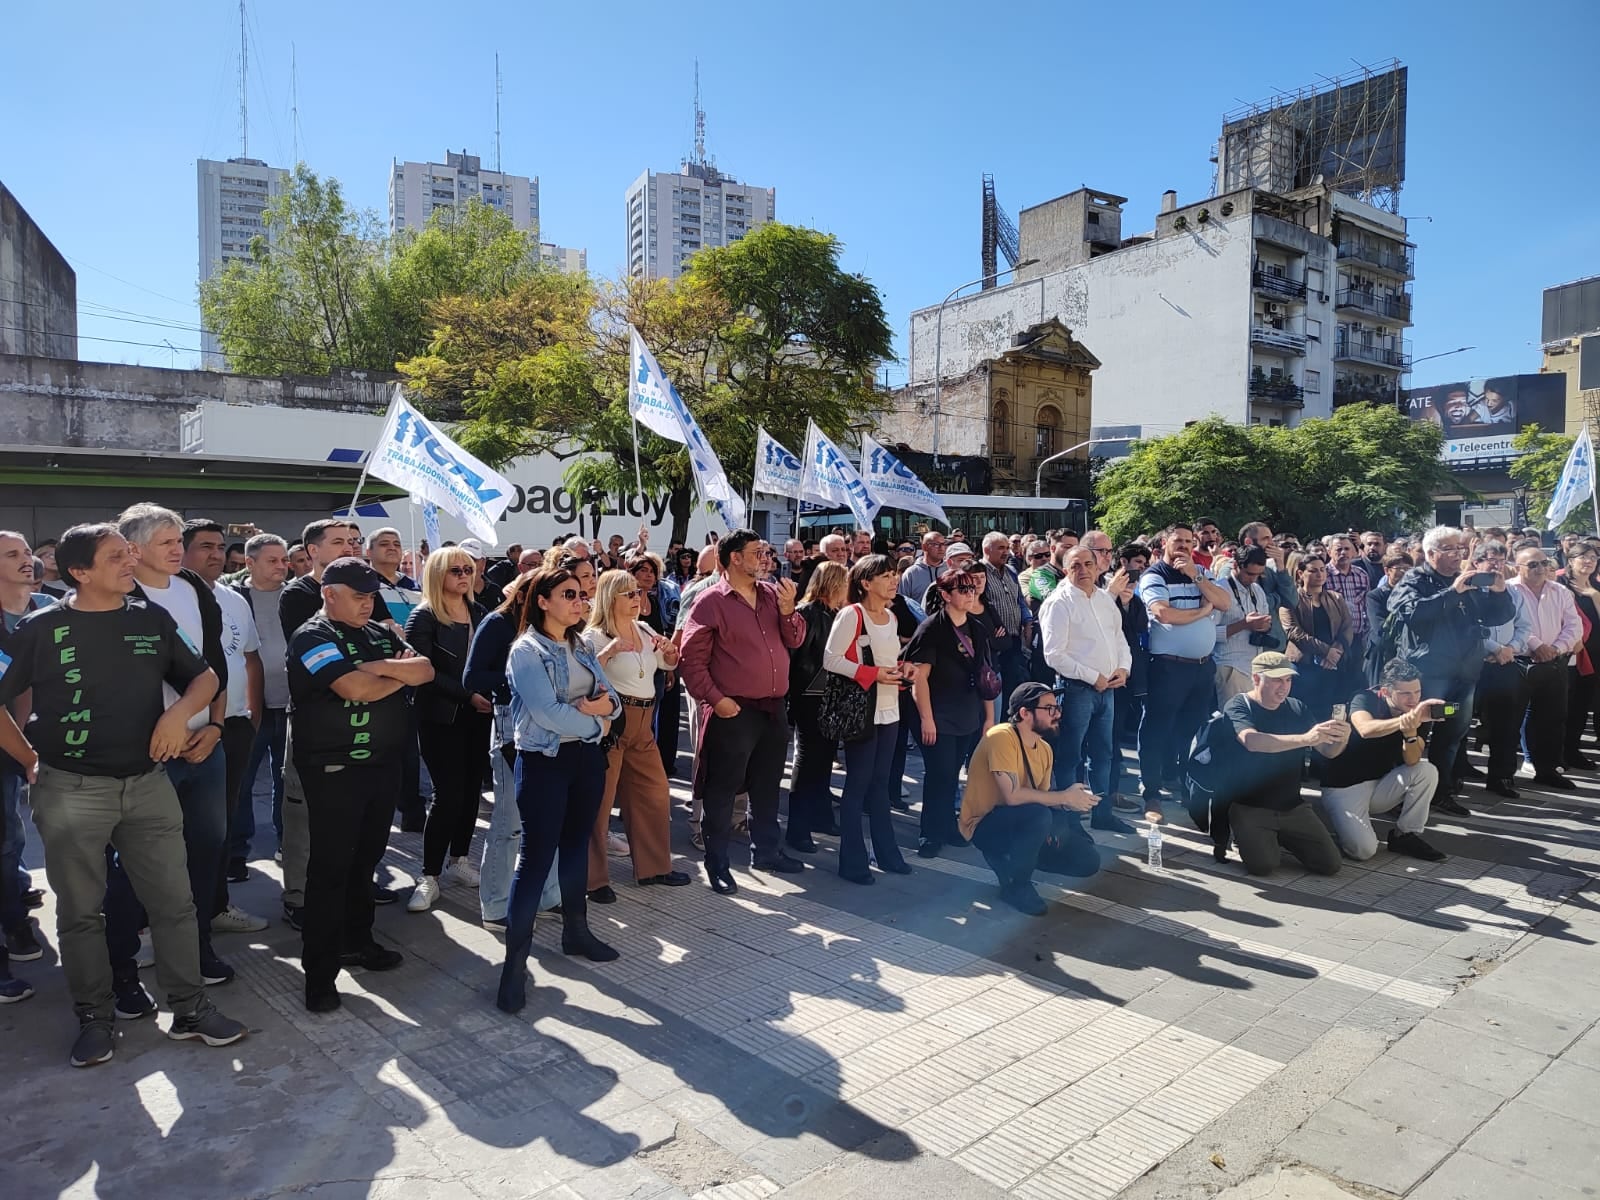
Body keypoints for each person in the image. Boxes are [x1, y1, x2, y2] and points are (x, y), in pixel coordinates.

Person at [0, 523, 247, 1064]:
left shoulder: (150, 619)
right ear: (80, 572)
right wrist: (28, 758)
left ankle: (190, 1009)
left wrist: (179, 715)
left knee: (174, 903)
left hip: (147, 784)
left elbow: (204, 678)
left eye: (128, 553)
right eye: (116, 557)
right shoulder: (39, 630)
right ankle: (95, 1016)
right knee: (82, 911)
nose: (128, 563)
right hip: (70, 790)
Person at [287, 557, 433, 1011]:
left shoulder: (379, 634)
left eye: (371, 596)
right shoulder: (312, 635)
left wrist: (377, 670)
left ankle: (358, 941)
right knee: (330, 869)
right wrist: (390, 673)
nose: (368, 604)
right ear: (329, 593)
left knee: (365, 863)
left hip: (382, 765)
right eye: (358, 596)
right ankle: (320, 973)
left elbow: (426, 670)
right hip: (334, 769)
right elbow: (354, 690)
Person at [119, 503, 237, 985]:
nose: (177, 549)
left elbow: (215, 667)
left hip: (204, 744)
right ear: (134, 548)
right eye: (167, 542)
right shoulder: (118, 596)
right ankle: (132, 947)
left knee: (207, 846)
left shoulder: (193, 589)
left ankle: (198, 943)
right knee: (140, 857)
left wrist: (215, 726)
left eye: (177, 540)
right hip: (146, 751)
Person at [498, 565, 622, 1014]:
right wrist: (598, 722)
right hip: (545, 763)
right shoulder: (526, 651)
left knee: (575, 849)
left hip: (585, 762)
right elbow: (546, 713)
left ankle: (577, 930)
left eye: (580, 594)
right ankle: (514, 963)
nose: (579, 600)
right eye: (568, 594)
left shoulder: (583, 645)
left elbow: (615, 697)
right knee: (534, 861)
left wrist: (602, 712)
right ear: (543, 601)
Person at [678, 530, 807, 893]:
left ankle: (766, 851)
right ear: (735, 558)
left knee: (767, 786)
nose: (765, 558)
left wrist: (788, 611)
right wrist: (715, 699)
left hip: (772, 708)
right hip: (733, 711)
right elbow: (691, 660)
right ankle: (717, 863)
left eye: (765, 551)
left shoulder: (772, 595)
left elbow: (795, 638)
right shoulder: (710, 601)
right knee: (722, 791)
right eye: (757, 552)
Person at [178, 520, 269, 936]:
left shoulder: (234, 599)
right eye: (204, 547)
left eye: (219, 547)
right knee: (167, 835)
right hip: (176, 733)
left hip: (230, 727)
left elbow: (250, 657)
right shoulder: (161, 599)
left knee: (220, 826)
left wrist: (253, 713)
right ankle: (154, 923)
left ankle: (215, 907)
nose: (215, 554)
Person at [1388, 527, 1516, 815]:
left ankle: (1441, 792)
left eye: (1460, 549)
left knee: (1451, 736)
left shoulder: (1469, 580)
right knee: (1416, 732)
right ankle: (1399, 795)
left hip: (1463, 677)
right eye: (1450, 549)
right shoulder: (1416, 578)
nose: (1459, 555)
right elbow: (1409, 612)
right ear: (1431, 553)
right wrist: (1452, 591)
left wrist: (1498, 593)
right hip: (1429, 678)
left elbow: (1497, 615)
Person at [582, 568, 687, 898]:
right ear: (609, 598)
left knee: (654, 794)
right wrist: (611, 649)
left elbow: (665, 663)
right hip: (612, 721)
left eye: (638, 593)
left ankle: (655, 868)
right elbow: (584, 673)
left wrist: (671, 654)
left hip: (643, 719)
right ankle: (592, 879)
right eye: (628, 593)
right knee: (599, 802)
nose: (637, 598)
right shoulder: (594, 635)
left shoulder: (643, 627)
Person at [404, 547, 493, 913]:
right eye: (455, 569)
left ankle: (459, 859)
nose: (463, 575)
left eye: (468, 569)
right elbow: (423, 672)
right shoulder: (423, 616)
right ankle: (429, 875)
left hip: (478, 715)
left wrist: (485, 693)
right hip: (441, 716)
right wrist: (467, 694)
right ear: (437, 573)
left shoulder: (479, 612)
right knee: (448, 793)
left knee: (472, 789)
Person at [961, 683, 1099, 915]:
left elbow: (1044, 797)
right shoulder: (1001, 736)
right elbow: (1012, 796)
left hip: (1023, 821)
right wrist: (1062, 797)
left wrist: (1070, 802)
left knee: (1088, 860)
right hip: (985, 826)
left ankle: (1019, 862)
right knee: (1038, 815)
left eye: (1057, 708)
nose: (1057, 713)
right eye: (1049, 708)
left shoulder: (1044, 748)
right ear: (1025, 713)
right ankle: (1018, 884)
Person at [823, 556, 915, 884]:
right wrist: (875, 674)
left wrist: (903, 671)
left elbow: (887, 659)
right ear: (865, 582)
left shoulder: (890, 617)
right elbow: (831, 660)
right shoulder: (852, 615)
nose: (894, 580)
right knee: (857, 785)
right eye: (886, 576)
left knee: (880, 783)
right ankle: (852, 861)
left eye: (895, 574)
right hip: (861, 710)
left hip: (890, 708)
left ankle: (887, 853)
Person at [1222, 652, 1349, 876]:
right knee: (1264, 866)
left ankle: (1279, 836)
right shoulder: (1238, 705)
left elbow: (1328, 752)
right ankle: (1246, 835)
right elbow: (1252, 741)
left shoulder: (1296, 707)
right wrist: (1305, 739)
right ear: (1256, 678)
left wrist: (1342, 737)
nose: (1283, 687)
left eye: (1288, 680)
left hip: (1292, 806)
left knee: (1330, 865)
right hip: (1249, 805)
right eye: (1276, 680)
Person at [1039, 546, 1134, 834]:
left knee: (1103, 754)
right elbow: (1053, 654)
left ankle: (1102, 813)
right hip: (1076, 689)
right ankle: (1070, 818)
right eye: (1075, 566)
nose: (1083, 571)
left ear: (1097, 567)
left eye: (1088, 564)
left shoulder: (1105, 599)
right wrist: (1093, 676)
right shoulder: (1059, 602)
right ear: (1066, 569)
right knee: (1071, 755)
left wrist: (1123, 668)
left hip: (1108, 689)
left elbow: (1119, 639)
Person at [904, 566, 993, 857]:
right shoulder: (932, 629)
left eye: (972, 588)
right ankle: (930, 832)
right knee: (939, 773)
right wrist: (927, 719)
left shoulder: (977, 628)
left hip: (967, 711)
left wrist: (989, 717)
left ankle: (946, 826)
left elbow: (985, 674)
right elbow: (919, 678)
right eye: (963, 589)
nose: (970, 594)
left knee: (952, 773)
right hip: (938, 712)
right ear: (945, 595)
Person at [1317, 660, 1446, 861]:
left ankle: (1405, 835)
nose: (1413, 699)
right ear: (1386, 691)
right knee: (1364, 851)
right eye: (1405, 693)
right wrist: (1410, 718)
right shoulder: (1365, 697)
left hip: (1380, 785)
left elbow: (1412, 760)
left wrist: (1411, 731)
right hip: (1344, 787)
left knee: (1426, 770)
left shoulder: (1417, 713)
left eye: (1417, 692)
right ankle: (1331, 832)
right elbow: (1365, 729)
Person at [1137, 523, 1230, 801]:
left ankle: (1183, 781)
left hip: (1201, 667)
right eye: (1178, 541)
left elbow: (1224, 602)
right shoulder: (1154, 576)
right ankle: (1151, 788)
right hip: (1169, 667)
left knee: (1191, 728)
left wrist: (1196, 577)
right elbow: (1165, 614)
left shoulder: (1200, 572)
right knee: (1157, 728)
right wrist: (1203, 611)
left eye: (1189, 541)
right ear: (1165, 542)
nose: (1184, 546)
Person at [231, 533, 291, 869]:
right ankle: (237, 853)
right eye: (272, 560)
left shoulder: (297, 595)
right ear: (249, 562)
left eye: (284, 560)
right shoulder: (234, 598)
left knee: (288, 780)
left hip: (291, 704)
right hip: (248, 706)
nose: (281, 566)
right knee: (240, 781)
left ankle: (287, 844)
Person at [1507, 543, 1582, 791]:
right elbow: (1511, 623)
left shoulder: (1560, 591)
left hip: (1554, 663)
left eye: (1544, 563)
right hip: (1520, 663)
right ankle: (1504, 774)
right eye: (1533, 564)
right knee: (1511, 718)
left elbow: (1574, 626)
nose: (1540, 568)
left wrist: (1556, 648)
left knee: (1553, 718)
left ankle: (1547, 770)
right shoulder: (1508, 591)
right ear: (1518, 567)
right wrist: (1538, 645)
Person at [785, 562, 847, 853]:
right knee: (808, 761)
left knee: (824, 760)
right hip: (809, 695)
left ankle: (821, 817)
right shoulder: (807, 613)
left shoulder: (835, 613)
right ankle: (797, 830)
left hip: (828, 695)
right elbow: (796, 659)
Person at [1469, 541, 1532, 800]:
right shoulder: (1467, 591)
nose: (1496, 566)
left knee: (1506, 725)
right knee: (1459, 722)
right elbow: (1468, 628)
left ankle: (1501, 776)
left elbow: (1524, 625)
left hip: (1505, 665)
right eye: (1491, 560)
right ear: (1477, 563)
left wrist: (1511, 648)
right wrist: (1495, 647)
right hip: (1472, 665)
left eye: (1501, 561)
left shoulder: (1513, 592)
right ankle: (1455, 775)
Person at [1281, 557, 1356, 719]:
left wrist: (1335, 652)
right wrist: (1325, 651)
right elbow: (1293, 631)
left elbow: (1347, 627)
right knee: (1304, 710)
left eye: (1322, 569)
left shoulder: (1336, 598)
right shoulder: (1291, 599)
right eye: (1313, 570)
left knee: (1330, 708)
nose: (1320, 574)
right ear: (1300, 573)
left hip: (1333, 664)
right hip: (1303, 664)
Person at [1213, 547, 1275, 704]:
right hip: (1230, 667)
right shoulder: (1220, 589)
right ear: (1235, 565)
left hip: (1255, 667)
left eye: (1258, 574)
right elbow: (1209, 634)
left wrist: (1264, 626)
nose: (1253, 579)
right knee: (1232, 720)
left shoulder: (1257, 589)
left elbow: (1266, 622)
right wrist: (1244, 624)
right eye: (1249, 574)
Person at [979, 532, 1031, 719]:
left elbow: (1020, 600)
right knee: (996, 692)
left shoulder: (1011, 571)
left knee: (1014, 689)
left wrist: (1027, 622)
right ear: (986, 550)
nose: (1006, 552)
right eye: (1001, 548)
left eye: (1007, 548)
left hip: (1015, 640)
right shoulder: (979, 573)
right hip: (994, 644)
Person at [1561, 542, 1600, 770]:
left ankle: (1573, 750)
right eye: (1583, 557)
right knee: (1562, 707)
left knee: (1582, 706)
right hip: (1569, 654)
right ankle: (1555, 753)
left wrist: (1594, 595)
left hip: (1594, 655)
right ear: (1571, 560)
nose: (1589, 562)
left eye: (1593, 558)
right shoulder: (1560, 586)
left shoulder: (1595, 587)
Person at [456, 539, 505, 613]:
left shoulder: (495, 590)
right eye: (462, 559)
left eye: (472, 559)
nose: (466, 564)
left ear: (483, 563)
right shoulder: (452, 592)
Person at [897, 531, 948, 600]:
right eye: (936, 544)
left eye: (943, 544)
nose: (942, 548)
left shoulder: (950, 570)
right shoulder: (911, 573)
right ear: (924, 547)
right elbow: (902, 602)